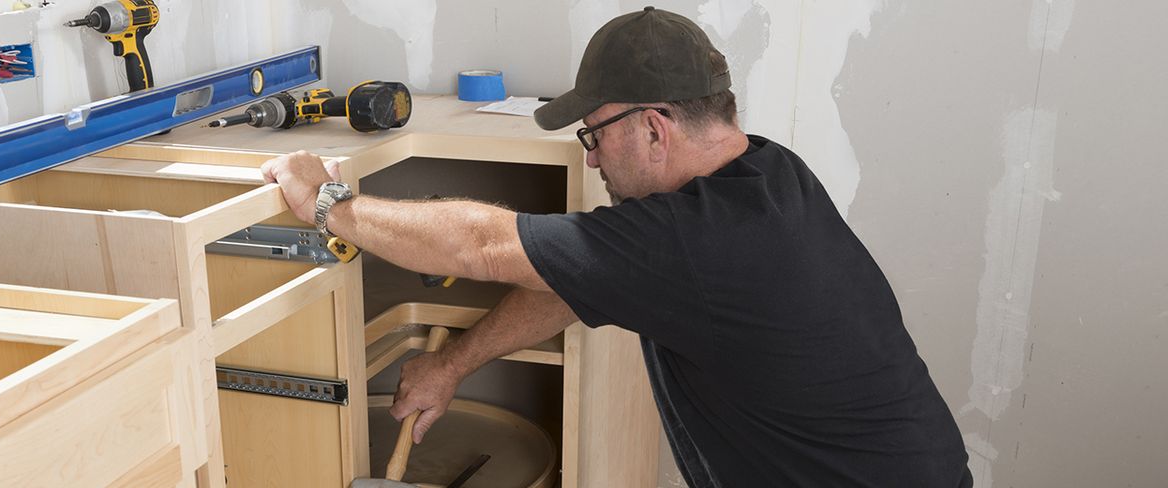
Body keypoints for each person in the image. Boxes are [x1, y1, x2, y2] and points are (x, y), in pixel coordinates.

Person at [261, 6, 971, 487]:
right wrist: (452, 363)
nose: (593, 160)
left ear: (654, 128)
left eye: (594, 134)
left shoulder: (692, 243)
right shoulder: (766, 170)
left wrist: (330, 204)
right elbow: (583, 281)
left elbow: (482, 245)